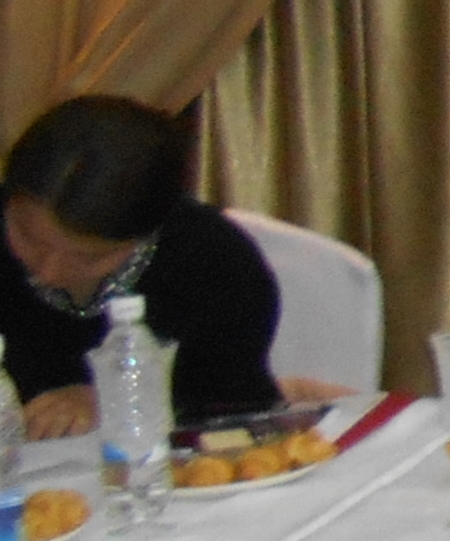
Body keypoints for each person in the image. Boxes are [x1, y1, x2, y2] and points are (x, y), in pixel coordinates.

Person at [2, 98, 288, 434]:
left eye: (90, 258)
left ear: (145, 236)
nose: (49, 272)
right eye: (30, 239)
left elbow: (235, 415)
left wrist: (121, 399)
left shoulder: (213, 263)